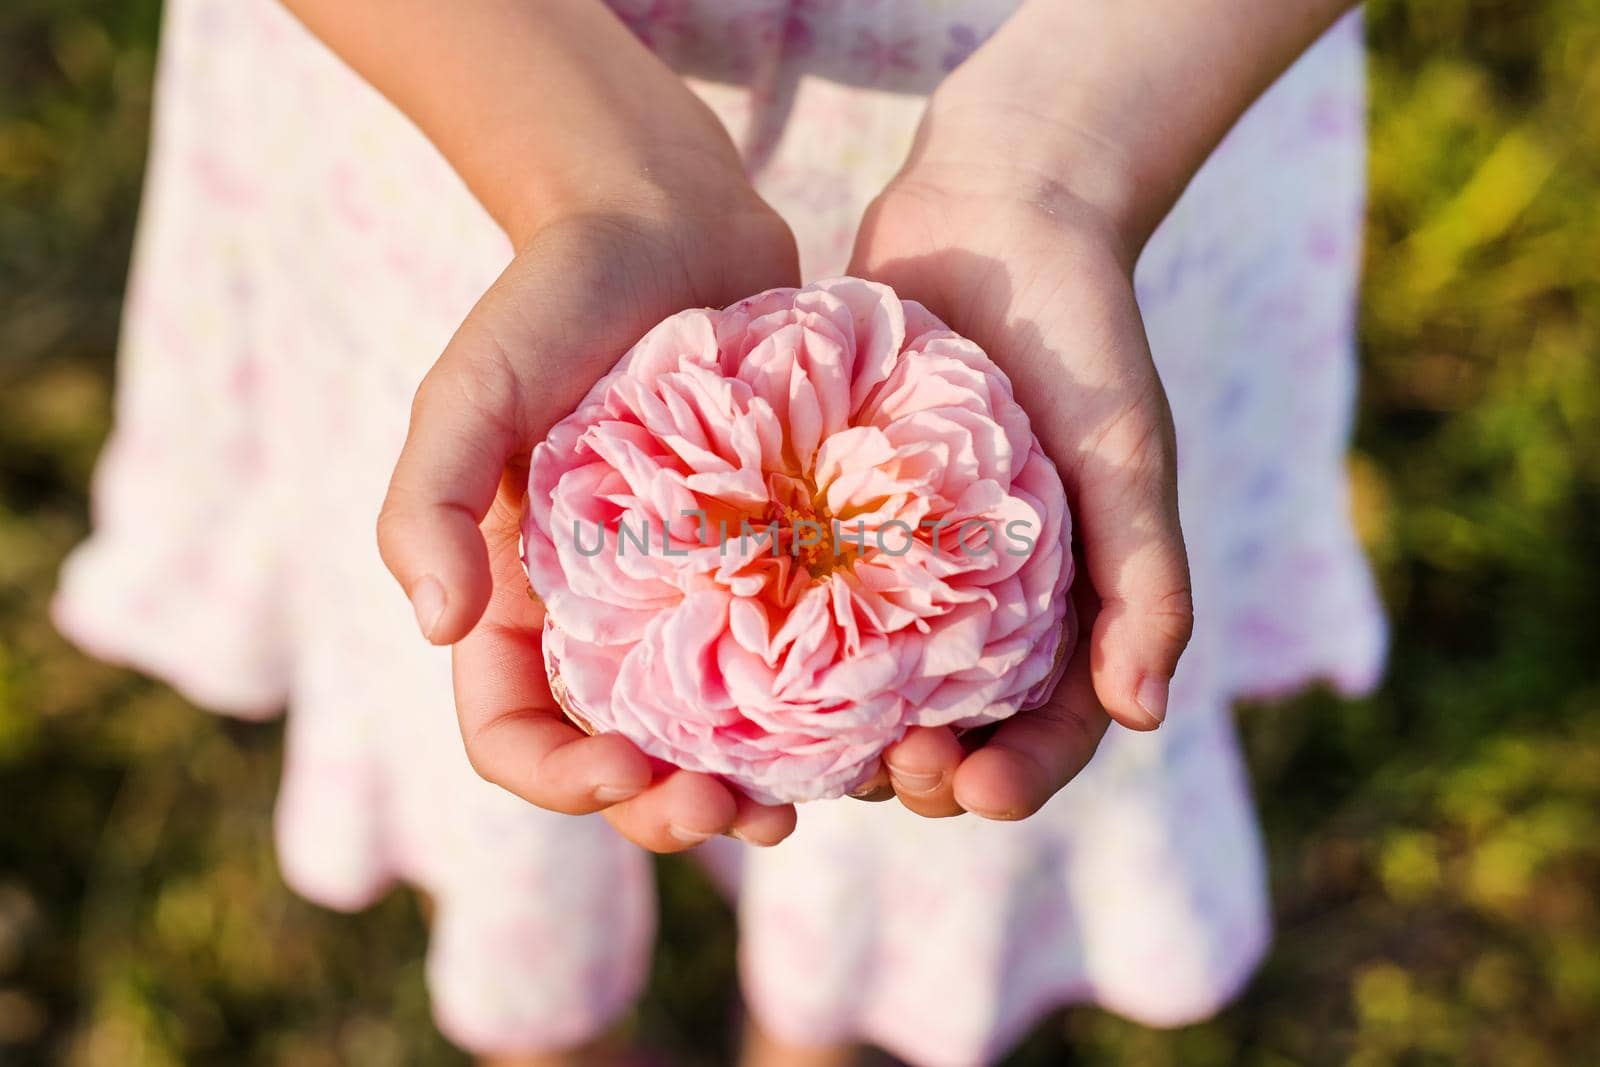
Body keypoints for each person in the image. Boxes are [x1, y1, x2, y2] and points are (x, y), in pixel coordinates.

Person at [54, 1, 1386, 1064]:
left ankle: (821, 1027)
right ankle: (558, 1029)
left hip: (1136, 77)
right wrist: (590, 172)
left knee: (923, 798)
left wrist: (1061, 155)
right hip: (466, 81)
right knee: (508, 642)